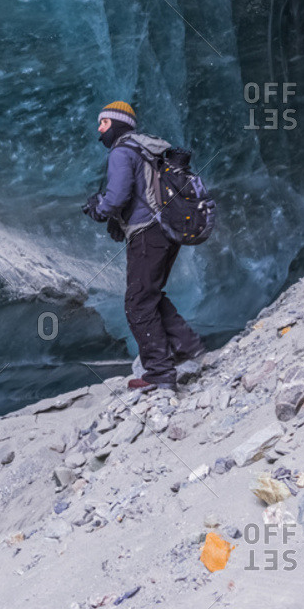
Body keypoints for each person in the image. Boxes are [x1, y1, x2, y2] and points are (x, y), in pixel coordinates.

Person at [82, 100, 205, 391]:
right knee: (149, 294)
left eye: (103, 123)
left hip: (147, 233)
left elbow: (116, 197)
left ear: (115, 123)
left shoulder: (122, 151)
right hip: (168, 230)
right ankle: (188, 346)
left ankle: (159, 373)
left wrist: (97, 208)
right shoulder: (150, 149)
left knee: (136, 303)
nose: (99, 129)